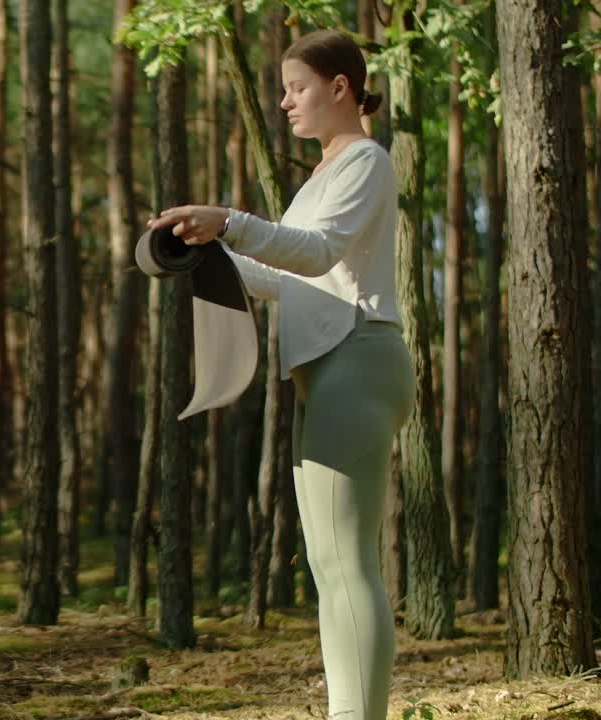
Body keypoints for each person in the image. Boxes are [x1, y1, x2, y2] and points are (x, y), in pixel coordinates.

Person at [148, 29, 413, 720]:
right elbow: (284, 273)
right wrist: (203, 247)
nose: (285, 102)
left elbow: (318, 252)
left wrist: (230, 220)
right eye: (284, 89)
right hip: (329, 368)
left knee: (349, 567)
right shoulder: (322, 176)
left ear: (339, 87)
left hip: (357, 356)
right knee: (331, 570)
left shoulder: (365, 160)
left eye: (297, 88)